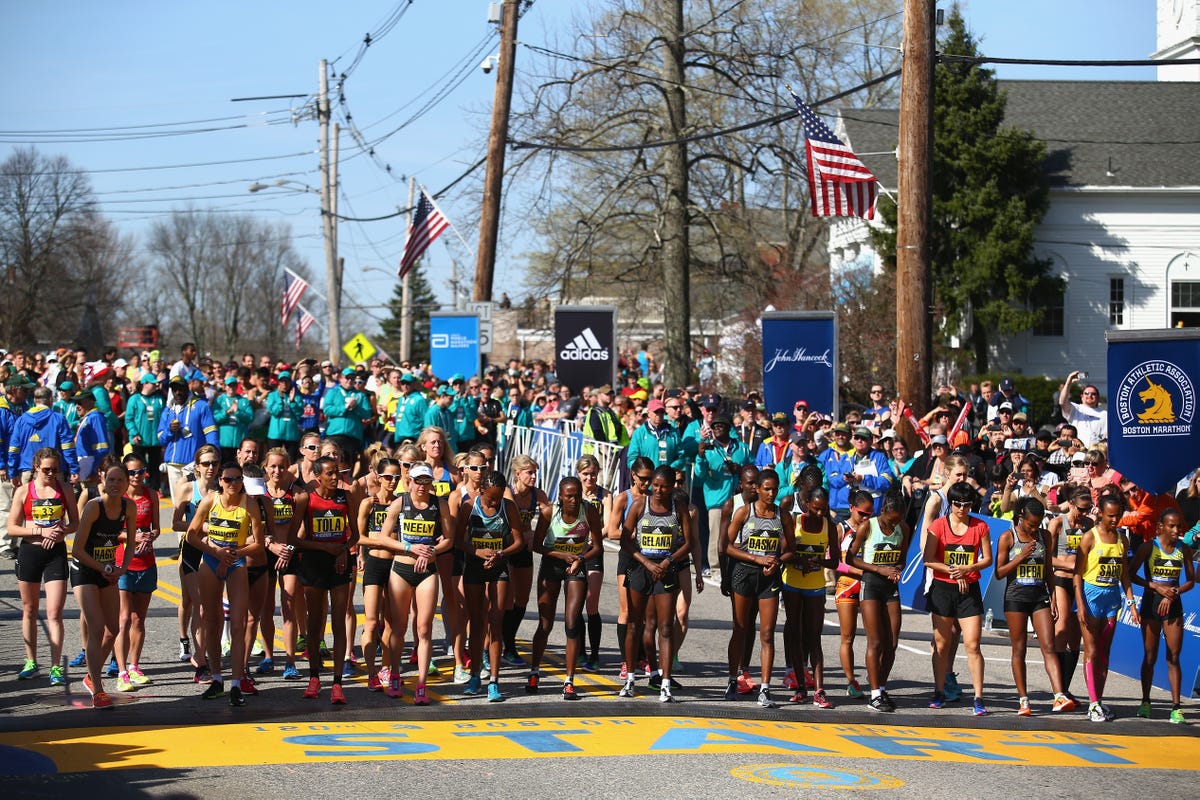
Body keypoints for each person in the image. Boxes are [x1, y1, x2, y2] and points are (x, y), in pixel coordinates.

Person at [187, 461, 264, 705]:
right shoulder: (210, 500)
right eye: (228, 479)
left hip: (236, 563)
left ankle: (236, 683)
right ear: (220, 481)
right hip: (210, 561)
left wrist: (235, 554)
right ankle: (217, 679)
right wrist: (215, 550)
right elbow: (191, 535)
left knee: (239, 625)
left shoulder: (249, 504)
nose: (233, 484)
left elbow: (259, 544)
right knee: (212, 622)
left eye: (238, 479)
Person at [619, 465, 696, 702]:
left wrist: (669, 560)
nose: (659, 490)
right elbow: (625, 539)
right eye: (655, 485)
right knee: (635, 624)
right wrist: (646, 562)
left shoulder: (678, 508)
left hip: (665, 570)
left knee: (665, 627)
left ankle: (664, 683)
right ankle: (631, 679)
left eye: (664, 486)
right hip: (642, 568)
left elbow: (689, 543)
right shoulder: (640, 505)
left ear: (673, 486)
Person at [379, 463, 454, 703]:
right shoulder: (400, 503)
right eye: (418, 481)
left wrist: (432, 552)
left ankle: (421, 683)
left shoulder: (439, 504)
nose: (422, 486)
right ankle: (395, 675)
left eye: (426, 481)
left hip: (427, 571)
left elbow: (449, 540)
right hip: (401, 568)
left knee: (424, 628)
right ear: (409, 481)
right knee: (398, 627)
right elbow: (383, 537)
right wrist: (409, 547)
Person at [993, 497, 1072, 715]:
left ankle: (1059, 696)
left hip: (1040, 597)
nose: (1035, 528)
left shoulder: (1044, 536)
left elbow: (1048, 570)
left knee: (1049, 646)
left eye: (1038, 524)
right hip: (1016, 598)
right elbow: (999, 573)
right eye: (1031, 524)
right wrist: (1021, 556)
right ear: (1020, 518)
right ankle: (1023, 700)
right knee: (1019, 648)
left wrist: (1053, 595)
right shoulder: (1008, 537)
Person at [724, 469, 795, 709]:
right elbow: (727, 546)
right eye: (767, 489)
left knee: (767, 633)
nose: (771, 493)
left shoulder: (783, 515)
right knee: (741, 629)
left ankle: (765, 688)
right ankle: (733, 679)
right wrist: (756, 559)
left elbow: (791, 550)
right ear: (757, 489)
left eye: (775, 489)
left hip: (769, 577)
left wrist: (777, 561)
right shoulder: (744, 512)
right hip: (744, 573)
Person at [528, 476, 603, 700]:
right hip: (553, 564)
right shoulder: (550, 512)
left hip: (576, 564)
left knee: (572, 622)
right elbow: (537, 545)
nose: (573, 500)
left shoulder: (588, 511)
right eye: (569, 496)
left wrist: (580, 559)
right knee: (545, 623)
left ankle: (569, 680)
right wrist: (562, 555)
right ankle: (534, 672)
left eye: (577, 495)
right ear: (561, 496)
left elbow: (597, 546)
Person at [8, 447, 78, 685]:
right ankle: (31, 662)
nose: (51, 473)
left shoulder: (64, 489)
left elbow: (75, 523)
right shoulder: (23, 491)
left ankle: (56, 667)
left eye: (55, 470)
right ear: (36, 467)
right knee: (29, 609)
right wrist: (39, 530)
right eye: (47, 469)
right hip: (30, 551)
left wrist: (60, 531)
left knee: (54, 613)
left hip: (55, 553)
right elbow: (12, 528)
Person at [924, 481, 994, 715]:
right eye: (957, 504)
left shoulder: (980, 526)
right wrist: (953, 570)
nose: (962, 509)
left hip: (969, 590)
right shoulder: (939, 525)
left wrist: (968, 568)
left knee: (973, 644)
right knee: (942, 645)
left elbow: (987, 559)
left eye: (966, 504)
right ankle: (938, 691)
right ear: (950, 504)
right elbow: (928, 559)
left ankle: (978, 697)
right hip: (943, 589)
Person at [70, 465, 137, 708]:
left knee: (113, 629)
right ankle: (98, 690)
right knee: (96, 627)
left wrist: (122, 567)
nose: (116, 484)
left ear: (127, 483)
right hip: (85, 570)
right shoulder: (93, 506)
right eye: (111, 479)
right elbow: (76, 549)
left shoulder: (128, 507)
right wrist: (104, 568)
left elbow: (130, 543)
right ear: (104, 480)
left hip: (108, 570)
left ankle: (91, 674)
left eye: (120, 479)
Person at [296, 455, 361, 704]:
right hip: (314, 563)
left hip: (340, 562)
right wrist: (324, 549)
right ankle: (314, 678)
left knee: (339, 620)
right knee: (315, 624)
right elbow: (294, 539)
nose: (336, 478)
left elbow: (355, 533)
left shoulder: (346, 497)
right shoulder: (306, 499)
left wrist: (343, 550)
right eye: (330, 474)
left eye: (338, 473)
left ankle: (337, 682)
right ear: (317, 476)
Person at [457, 469, 525, 701]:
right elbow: (457, 540)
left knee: (496, 621)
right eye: (490, 498)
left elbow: (519, 542)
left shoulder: (509, 507)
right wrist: (477, 551)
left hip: (499, 566)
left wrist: (500, 554)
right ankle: (475, 674)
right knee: (477, 622)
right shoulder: (469, 506)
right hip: (474, 566)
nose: (495, 502)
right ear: (481, 490)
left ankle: (494, 680)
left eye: (498, 498)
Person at [1074, 492, 1139, 722]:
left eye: (1118, 515)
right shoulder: (1090, 537)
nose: (1115, 520)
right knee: (1091, 651)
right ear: (1100, 513)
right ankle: (1092, 705)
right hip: (1091, 597)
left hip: (1112, 597)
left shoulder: (1123, 539)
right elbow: (1077, 575)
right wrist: (1080, 605)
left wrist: (1131, 604)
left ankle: (1098, 701)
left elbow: (1124, 575)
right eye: (1110, 516)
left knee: (1104, 654)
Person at [847, 488, 911, 712]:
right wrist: (878, 569)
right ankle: (874, 694)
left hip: (890, 587)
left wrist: (897, 569)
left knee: (891, 642)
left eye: (898, 520)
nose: (894, 525)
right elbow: (850, 557)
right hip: (871, 585)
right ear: (883, 511)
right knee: (875, 640)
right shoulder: (868, 526)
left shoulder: (903, 528)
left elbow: (902, 559)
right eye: (891, 520)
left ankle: (882, 687)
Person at [1130, 507, 1194, 724]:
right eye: (1172, 526)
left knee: (1173, 657)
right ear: (1161, 527)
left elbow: (1190, 581)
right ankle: (1146, 701)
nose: (1177, 530)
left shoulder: (1183, 549)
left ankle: (1176, 707)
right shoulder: (1149, 547)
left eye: (1179, 526)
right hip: (1151, 604)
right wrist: (1155, 587)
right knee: (1150, 656)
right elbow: (1130, 574)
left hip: (1173, 605)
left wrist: (1174, 592)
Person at [780, 485, 840, 707]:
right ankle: (800, 685)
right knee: (795, 632)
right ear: (807, 505)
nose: (819, 513)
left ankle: (819, 689)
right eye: (816, 508)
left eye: (823, 509)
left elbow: (835, 561)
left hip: (815, 586)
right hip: (792, 583)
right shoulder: (795, 523)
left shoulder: (829, 526)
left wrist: (818, 562)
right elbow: (783, 553)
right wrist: (799, 561)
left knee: (814, 637)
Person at [112, 453, 160, 693]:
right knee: (122, 619)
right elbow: (111, 531)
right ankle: (121, 671)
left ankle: (134, 666)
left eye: (140, 471)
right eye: (131, 472)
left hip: (146, 563)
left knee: (138, 619)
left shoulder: (151, 495)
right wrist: (132, 537)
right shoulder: (117, 498)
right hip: (122, 564)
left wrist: (150, 536)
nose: (136, 476)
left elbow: (158, 528)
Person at [171, 444, 220, 679]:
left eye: (215, 463)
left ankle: (205, 652)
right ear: (197, 466)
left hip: (214, 552)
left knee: (210, 607)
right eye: (206, 463)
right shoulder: (188, 488)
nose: (211, 468)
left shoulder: (222, 489)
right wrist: (203, 527)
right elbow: (176, 523)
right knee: (197, 605)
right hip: (192, 551)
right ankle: (200, 660)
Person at [356, 457, 402, 693]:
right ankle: (371, 672)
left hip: (396, 567)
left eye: (396, 477)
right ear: (378, 476)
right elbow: (358, 536)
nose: (392, 482)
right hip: (375, 563)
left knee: (392, 622)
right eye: (387, 477)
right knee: (372, 621)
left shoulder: (401, 504)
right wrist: (381, 542)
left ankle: (386, 667)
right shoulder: (369, 503)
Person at [262, 447, 307, 680]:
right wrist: (271, 545)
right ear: (266, 467)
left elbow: (301, 526)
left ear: (288, 466)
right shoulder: (258, 493)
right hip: (266, 553)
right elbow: (256, 526)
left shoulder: (297, 493)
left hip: (289, 554)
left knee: (288, 606)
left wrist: (289, 548)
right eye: (273, 466)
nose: (277, 470)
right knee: (266, 608)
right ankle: (269, 657)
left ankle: (290, 660)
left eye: (281, 466)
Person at [609, 457, 654, 679]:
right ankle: (626, 661)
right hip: (628, 558)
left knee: (646, 613)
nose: (648, 484)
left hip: (649, 558)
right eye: (644, 479)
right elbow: (611, 531)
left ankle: (642, 657)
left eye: (650, 479)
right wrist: (633, 533)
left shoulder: (655, 498)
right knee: (627, 610)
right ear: (634, 476)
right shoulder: (623, 499)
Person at [504, 454, 549, 667]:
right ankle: (504, 644)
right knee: (506, 600)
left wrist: (535, 535)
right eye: (529, 473)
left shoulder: (538, 495)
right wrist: (526, 535)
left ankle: (509, 642)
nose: (533, 477)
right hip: (507, 547)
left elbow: (549, 519)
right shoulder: (508, 493)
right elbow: (512, 524)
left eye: (535, 472)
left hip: (524, 549)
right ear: (517, 474)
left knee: (522, 600)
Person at [1048, 484, 1091, 703]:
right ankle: (1057, 686)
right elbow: (1047, 557)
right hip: (1061, 580)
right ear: (1071, 504)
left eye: (1088, 509)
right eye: (1081, 509)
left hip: (1081, 583)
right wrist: (1069, 566)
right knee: (1062, 626)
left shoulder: (1089, 525)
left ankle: (1065, 687)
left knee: (1076, 638)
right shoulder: (1057, 523)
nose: (1084, 514)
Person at [833, 489, 873, 700]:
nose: (866, 518)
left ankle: (874, 676)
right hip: (848, 584)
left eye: (869, 513)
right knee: (848, 636)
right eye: (861, 513)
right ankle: (851, 680)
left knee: (874, 637)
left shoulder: (872, 527)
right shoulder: (841, 528)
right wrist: (856, 571)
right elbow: (832, 560)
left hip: (869, 585)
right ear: (851, 508)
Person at [576, 454, 611, 671]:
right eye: (586, 474)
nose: (590, 478)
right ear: (579, 474)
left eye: (593, 474)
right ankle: (579, 650)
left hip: (594, 550)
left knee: (592, 603)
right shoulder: (572, 491)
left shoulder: (605, 496)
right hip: (574, 552)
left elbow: (609, 524)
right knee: (576, 602)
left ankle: (595, 654)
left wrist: (593, 538)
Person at [124, 374, 164, 491]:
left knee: (154, 466)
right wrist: (134, 433)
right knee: (138, 465)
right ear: (145, 384)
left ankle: (154, 489)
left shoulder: (159, 399)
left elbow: (164, 418)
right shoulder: (134, 399)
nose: (156, 385)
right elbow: (129, 419)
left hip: (155, 440)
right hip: (140, 439)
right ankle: (138, 487)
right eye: (153, 383)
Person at [1058, 371, 1106, 447]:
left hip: (1096, 453)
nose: (1089, 395)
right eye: (1086, 393)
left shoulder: (1105, 414)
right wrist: (1069, 381)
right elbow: (1062, 401)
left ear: (1098, 397)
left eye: (1093, 394)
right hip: (1076, 451)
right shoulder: (1075, 408)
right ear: (1082, 396)